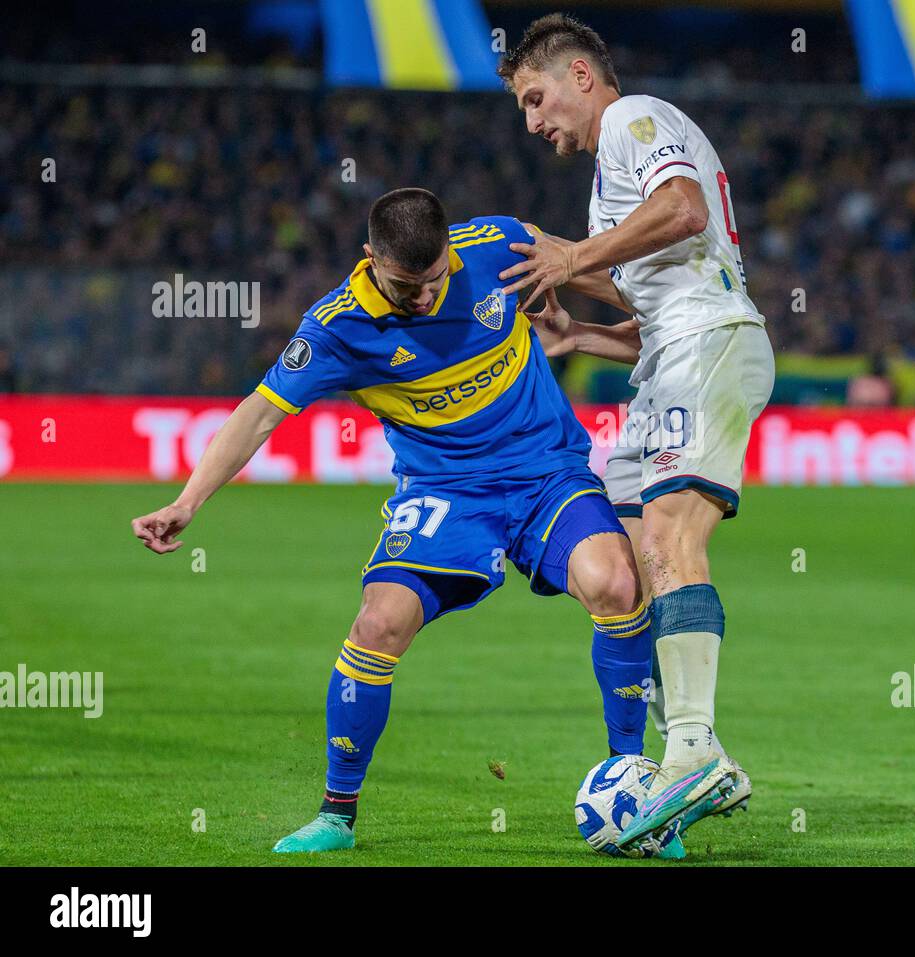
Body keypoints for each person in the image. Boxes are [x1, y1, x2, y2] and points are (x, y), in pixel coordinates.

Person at [131, 188, 679, 856]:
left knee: (619, 584)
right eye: (405, 286)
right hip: (445, 492)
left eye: (437, 278)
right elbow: (260, 413)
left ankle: (637, 788)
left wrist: (663, 309)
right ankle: (336, 814)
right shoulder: (338, 328)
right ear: (371, 259)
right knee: (378, 623)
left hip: (548, 473)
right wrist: (187, 501)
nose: (424, 297)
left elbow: (587, 265)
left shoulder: (498, 247)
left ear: (451, 249)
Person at [497, 14, 776, 848]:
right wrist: (581, 334)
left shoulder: (631, 119)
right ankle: (689, 748)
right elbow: (654, 294)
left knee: (664, 536)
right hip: (670, 355)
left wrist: (574, 257)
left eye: (536, 98)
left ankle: (690, 747)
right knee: (621, 559)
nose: (532, 120)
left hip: (708, 344)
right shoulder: (610, 175)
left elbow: (685, 209)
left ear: (582, 76)